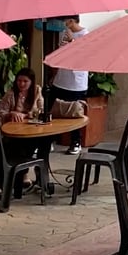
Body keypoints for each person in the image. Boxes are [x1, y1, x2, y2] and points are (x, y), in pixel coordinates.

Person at [47, 15, 90, 154]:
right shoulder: (63, 33)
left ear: (72, 21)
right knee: (51, 108)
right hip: (61, 78)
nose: (63, 23)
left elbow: (84, 56)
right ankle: (49, 140)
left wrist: (72, 41)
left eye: (65, 20)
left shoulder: (85, 34)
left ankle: (75, 142)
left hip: (76, 81)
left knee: (74, 112)